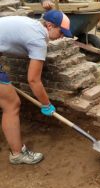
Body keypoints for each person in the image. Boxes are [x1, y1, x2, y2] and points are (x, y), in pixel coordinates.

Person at [0, 10, 73, 165]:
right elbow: (33, 80)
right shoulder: (38, 39)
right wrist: (46, 104)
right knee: (12, 104)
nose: (62, 36)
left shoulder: (31, 25)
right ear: (50, 25)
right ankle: (17, 154)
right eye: (61, 32)